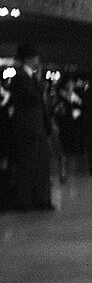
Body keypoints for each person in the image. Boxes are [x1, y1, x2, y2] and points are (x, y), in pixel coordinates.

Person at [4, 43, 54, 211]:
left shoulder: (29, 77)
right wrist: (39, 82)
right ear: (29, 58)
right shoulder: (19, 77)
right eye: (36, 57)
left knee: (41, 165)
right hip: (27, 128)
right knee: (27, 166)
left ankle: (41, 199)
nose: (38, 60)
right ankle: (25, 201)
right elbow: (32, 98)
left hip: (37, 127)